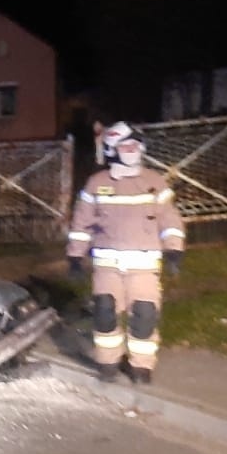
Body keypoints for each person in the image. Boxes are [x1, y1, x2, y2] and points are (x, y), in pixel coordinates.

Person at [66, 122, 186, 383]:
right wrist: (75, 256)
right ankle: (108, 362)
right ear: (113, 150)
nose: (131, 150)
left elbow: (170, 219)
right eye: (125, 146)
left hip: (144, 263)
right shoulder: (97, 183)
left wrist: (174, 250)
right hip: (107, 264)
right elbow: (82, 223)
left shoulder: (154, 182)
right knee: (105, 313)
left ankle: (141, 366)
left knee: (145, 314)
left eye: (134, 145)